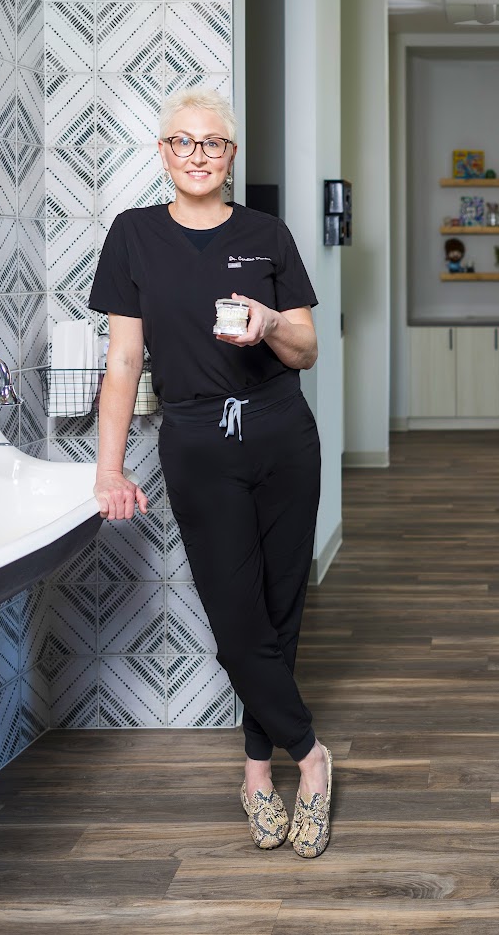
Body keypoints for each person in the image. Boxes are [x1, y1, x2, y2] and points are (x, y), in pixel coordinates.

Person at [88, 87, 334, 857]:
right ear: (163, 154)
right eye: (184, 142)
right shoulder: (132, 236)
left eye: (213, 143)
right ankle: (314, 758)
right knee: (235, 614)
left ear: (232, 156)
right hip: (196, 440)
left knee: (278, 606)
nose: (199, 155)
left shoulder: (268, 234)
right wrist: (108, 469)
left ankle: (257, 772)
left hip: (281, 432)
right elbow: (125, 360)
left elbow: (307, 349)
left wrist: (269, 326)